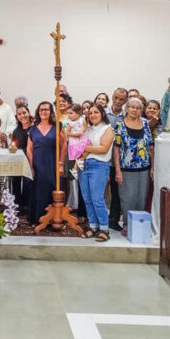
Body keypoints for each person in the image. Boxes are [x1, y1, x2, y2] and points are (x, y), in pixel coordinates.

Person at [113, 97, 154, 235]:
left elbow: (150, 147)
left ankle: (139, 225)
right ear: (127, 108)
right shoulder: (120, 125)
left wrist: (153, 167)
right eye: (132, 107)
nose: (135, 110)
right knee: (127, 198)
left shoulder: (145, 123)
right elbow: (116, 149)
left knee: (141, 198)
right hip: (126, 168)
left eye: (138, 108)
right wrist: (118, 170)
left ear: (141, 110)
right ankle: (127, 225)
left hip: (144, 167)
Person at [26, 102, 66, 226]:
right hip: (38, 163)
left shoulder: (57, 126)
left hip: (52, 162)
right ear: (38, 112)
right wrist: (31, 166)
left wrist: (61, 163)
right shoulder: (32, 129)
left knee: (51, 188)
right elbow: (29, 148)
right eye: (41, 109)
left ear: (51, 112)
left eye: (47, 109)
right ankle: (38, 218)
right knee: (38, 190)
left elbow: (64, 145)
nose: (44, 112)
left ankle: (53, 218)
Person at [79, 103, 114, 241]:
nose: (93, 115)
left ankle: (104, 229)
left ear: (102, 114)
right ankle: (93, 226)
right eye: (91, 113)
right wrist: (84, 149)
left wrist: (85, 148)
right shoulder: (88, 129)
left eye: (96, 112)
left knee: (97, 199)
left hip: (99, 166)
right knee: (87, 199)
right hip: (84, 165)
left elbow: (104, 148)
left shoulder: (107, 129)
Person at [107, 88, 128, 231]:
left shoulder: (127, 116)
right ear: (112, 97)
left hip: (118, 161)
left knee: (116, 193)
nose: (118, 101)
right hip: (101, 158)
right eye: (116, 98)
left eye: (121, 99)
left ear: (125, 101)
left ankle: (113, 221)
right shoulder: (103, 113)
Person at [11, 104, 33, 210]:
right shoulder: (16, 131)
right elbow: (13, 146)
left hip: (30, 159)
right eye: (19, 114)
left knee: (28, 182)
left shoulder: (34, 129)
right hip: (18, 160)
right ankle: (17, 204)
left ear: (28, 113)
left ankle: (27, 205)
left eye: (24, 113)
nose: (22, 116)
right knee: (15, 181)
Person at [65, 104, 88, 178]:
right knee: (79, 153)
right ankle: (75, 168)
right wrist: (75, 135)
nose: (69, 115)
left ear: (78, 113)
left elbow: (85, 127)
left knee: (88, 148)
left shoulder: (82, 119)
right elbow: (67, 132)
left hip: (82, 139)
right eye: (68, 113)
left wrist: (82, 132)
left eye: (71, 113)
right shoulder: (70, 122)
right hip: (74, 141)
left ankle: (76, 167)